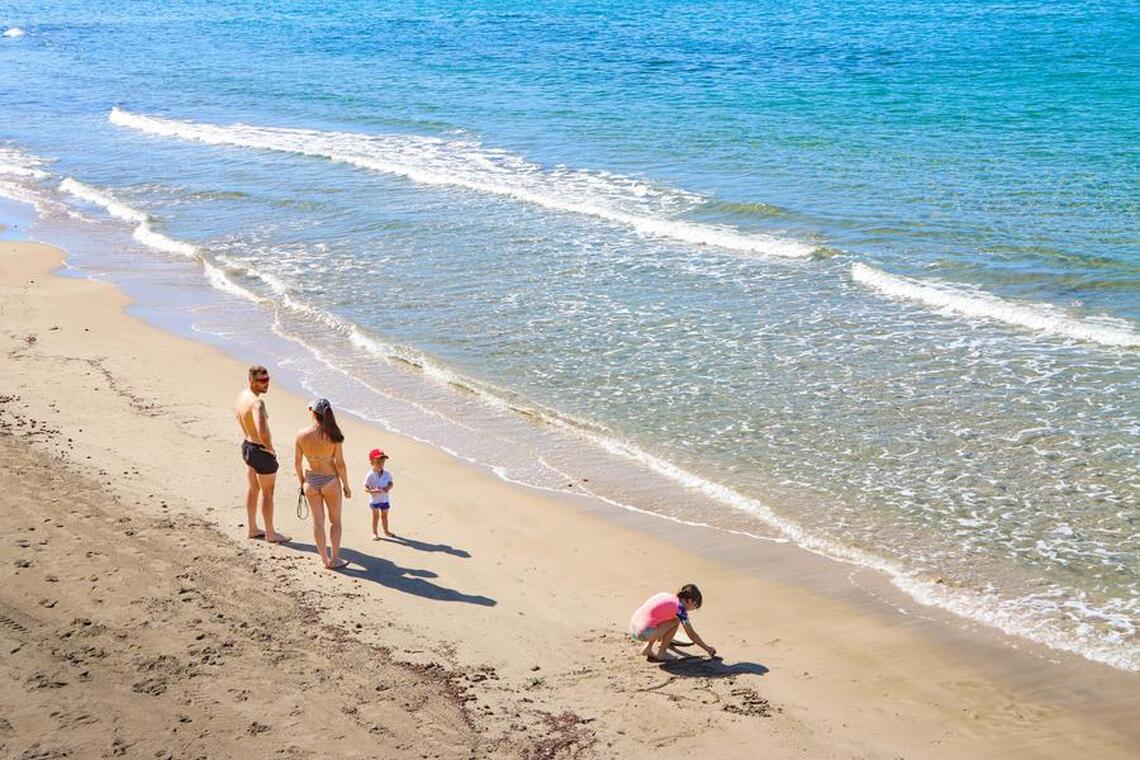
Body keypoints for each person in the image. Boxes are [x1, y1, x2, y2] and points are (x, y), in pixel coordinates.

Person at [294, 397, 351, 569]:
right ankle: (335, 559)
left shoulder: (301, 435)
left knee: (318, 523)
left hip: (311, 480)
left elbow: (297, 463)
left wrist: (302, 482)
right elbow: (340, 464)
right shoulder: (334, 435)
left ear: (312, 412)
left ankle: (324, 559)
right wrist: (346, 485)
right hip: (331, 480)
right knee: (335, 522)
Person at [235, 365, 288, 543]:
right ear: (251, 380)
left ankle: (252, 528)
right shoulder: (258, 403)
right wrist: (270, 448)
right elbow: (263, 432)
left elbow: (238, 416)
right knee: (268, 493)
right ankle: (270, 533)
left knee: (253, 488)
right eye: (262, 381)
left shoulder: (243, 396)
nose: (266, 384)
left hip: (247, 447)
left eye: (268, 380)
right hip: (260, 451)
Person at [629, 584, 716, 662]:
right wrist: (708, 648)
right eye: (694, 606)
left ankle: (648, 648)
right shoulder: (680, 609)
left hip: (633, 628)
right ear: (689, 601)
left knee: (664, 618)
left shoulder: (665, 596)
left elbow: (657, 616)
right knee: (675, 621)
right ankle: (661, 653)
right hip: (642, 633)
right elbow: (691, 635)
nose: (693, 609)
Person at [363, 448, 395, 539]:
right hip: (374, 500)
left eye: (382, 462)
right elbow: (365, 486)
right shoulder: (370, 475)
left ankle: (386, 531)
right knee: (375, 516)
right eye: (378, 462)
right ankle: (374, 533)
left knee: (384, 516)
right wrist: (370, 491)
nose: (381, 465)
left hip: (384, 499)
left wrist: (388, 487)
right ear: (372, 462)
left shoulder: (387, 474)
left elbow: (391, 483)